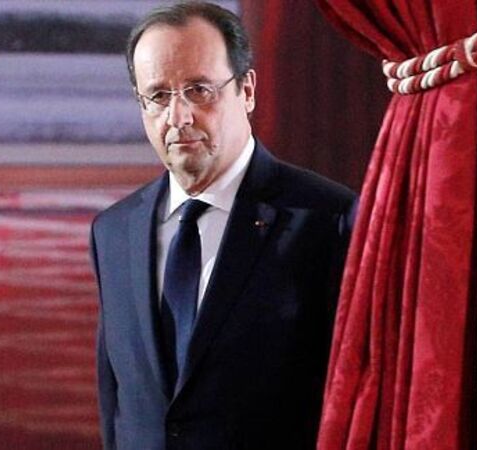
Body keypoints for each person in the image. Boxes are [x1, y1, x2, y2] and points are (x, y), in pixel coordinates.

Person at [90, 2, 356, 449]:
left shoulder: (328, 219)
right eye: (158, 96)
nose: (178, 117)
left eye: (199, 90)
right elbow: (117, 403)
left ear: (246, 90)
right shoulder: (114, 232)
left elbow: (352, 394)